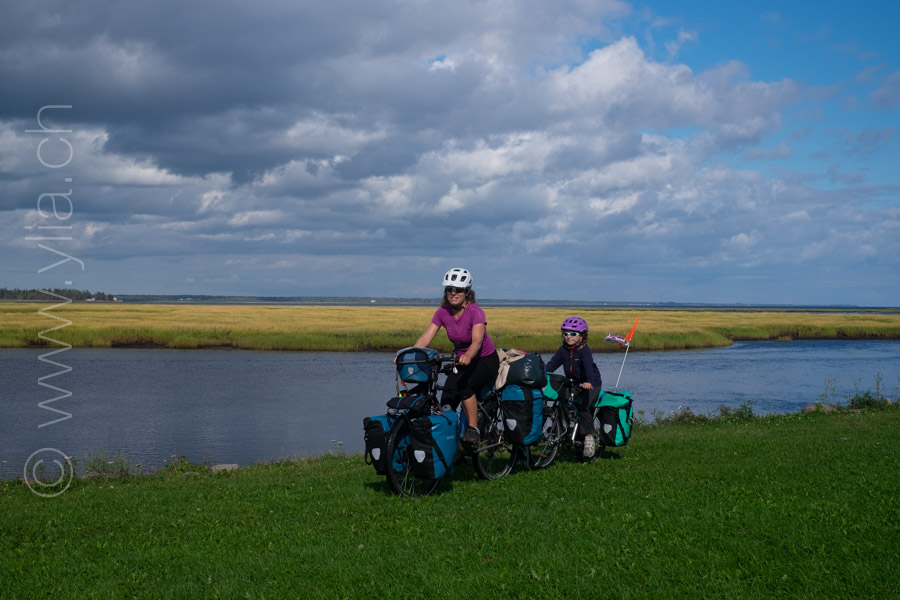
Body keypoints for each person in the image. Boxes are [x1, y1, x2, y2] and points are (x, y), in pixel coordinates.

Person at [410, 268, 499, 445]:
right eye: (449, 289)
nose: (453, 293)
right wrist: (409, 353)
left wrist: (468, 355)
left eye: (458, 289)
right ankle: (452, 442)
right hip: (461, 361)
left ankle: (473, 430)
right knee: (447, 400)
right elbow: (426, 337)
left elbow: (477, 341)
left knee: (465, 387)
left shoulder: (475, 312)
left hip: (485, 359)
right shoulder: (442, 312)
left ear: (467, 292)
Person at [545, 316, 603, 457]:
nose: (568, 337)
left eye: (573, 334)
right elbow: (552, 364)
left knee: (584, 407)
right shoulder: (563, 350)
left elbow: (588, 367)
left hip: (592, 383)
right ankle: (564, 430)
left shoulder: (584, 350)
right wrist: (541, 373)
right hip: (574, 383)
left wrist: (589, 382)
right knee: (561, 399)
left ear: (582, 336)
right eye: (565, 333)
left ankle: (589, 438)